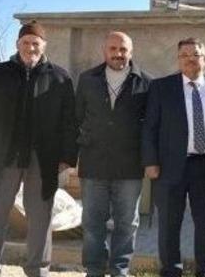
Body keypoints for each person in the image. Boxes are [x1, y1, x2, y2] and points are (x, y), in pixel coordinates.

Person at [0, 21, 78, 277]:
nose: (31, 47)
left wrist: (67, 156)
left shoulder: (60, 78)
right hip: (2, 156)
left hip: (43, 158)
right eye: (26, 42)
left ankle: (38, 271)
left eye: (35, 43)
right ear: (17, 44)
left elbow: (69, 122)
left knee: (41, 218)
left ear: (44, 46)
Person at [142, 37, 205, 277]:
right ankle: (171, 271)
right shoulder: (161, 88)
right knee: (169, 226)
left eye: (196, 54)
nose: (191, 59)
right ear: (178, 59)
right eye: (185, 55)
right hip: (169, 168)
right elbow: (150, 127)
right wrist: (150, 162)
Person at [75, 31, 153, 277]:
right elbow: (77, 118)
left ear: (131, 52)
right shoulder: (87, 79)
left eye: (123, 49)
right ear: (104, 50)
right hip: (93, 164)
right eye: (113, 49)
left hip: (129, 167)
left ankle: (120, 269)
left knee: (127, 224)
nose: (118, 54)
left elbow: (151, 126)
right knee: (92, 223)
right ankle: (94, 269)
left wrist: (150, 160)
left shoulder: (146, 82)